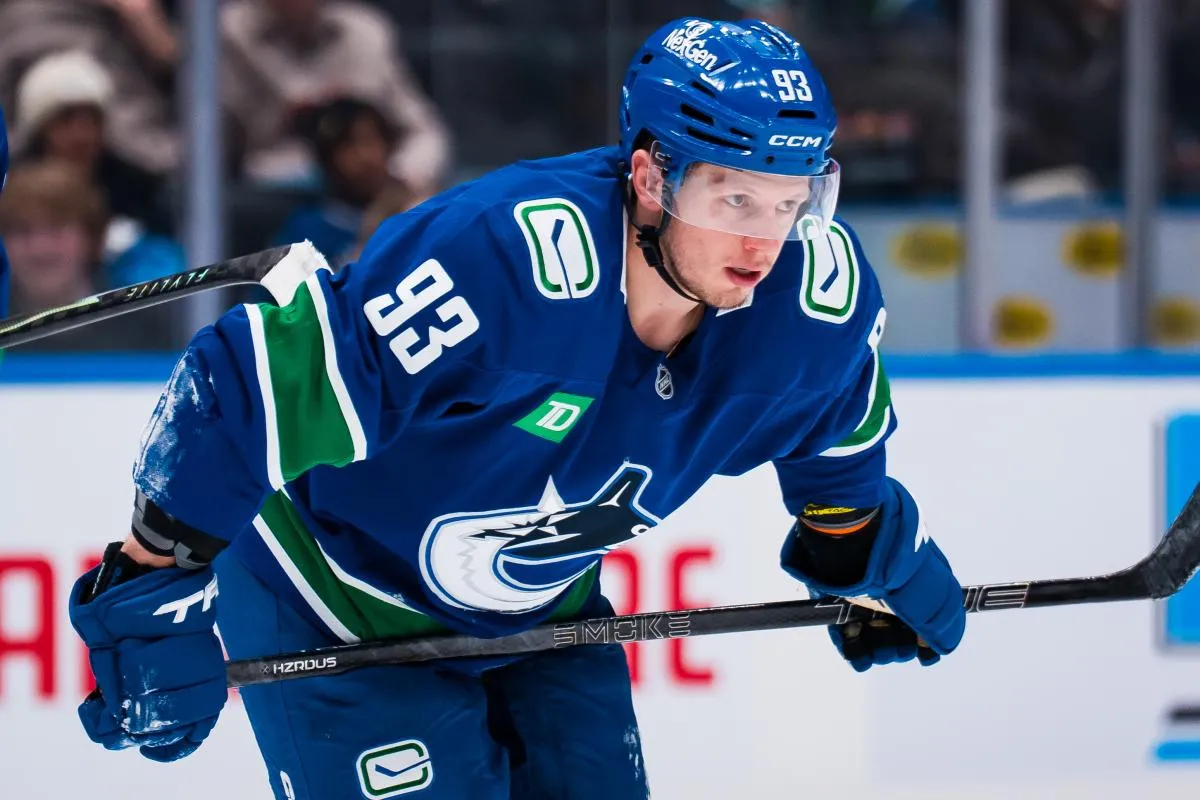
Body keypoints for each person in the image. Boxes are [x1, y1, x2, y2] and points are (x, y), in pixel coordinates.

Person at [67, 18, 966, 799]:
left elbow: (836, 451)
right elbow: (240, 387)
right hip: (335, 597)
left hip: (544, 615)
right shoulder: (502, 263)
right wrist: (151, 588)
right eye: (732, 198)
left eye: (789, 202)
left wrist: (867, 556)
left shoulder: (809, 303)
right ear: (652, 178)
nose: (763, 241)